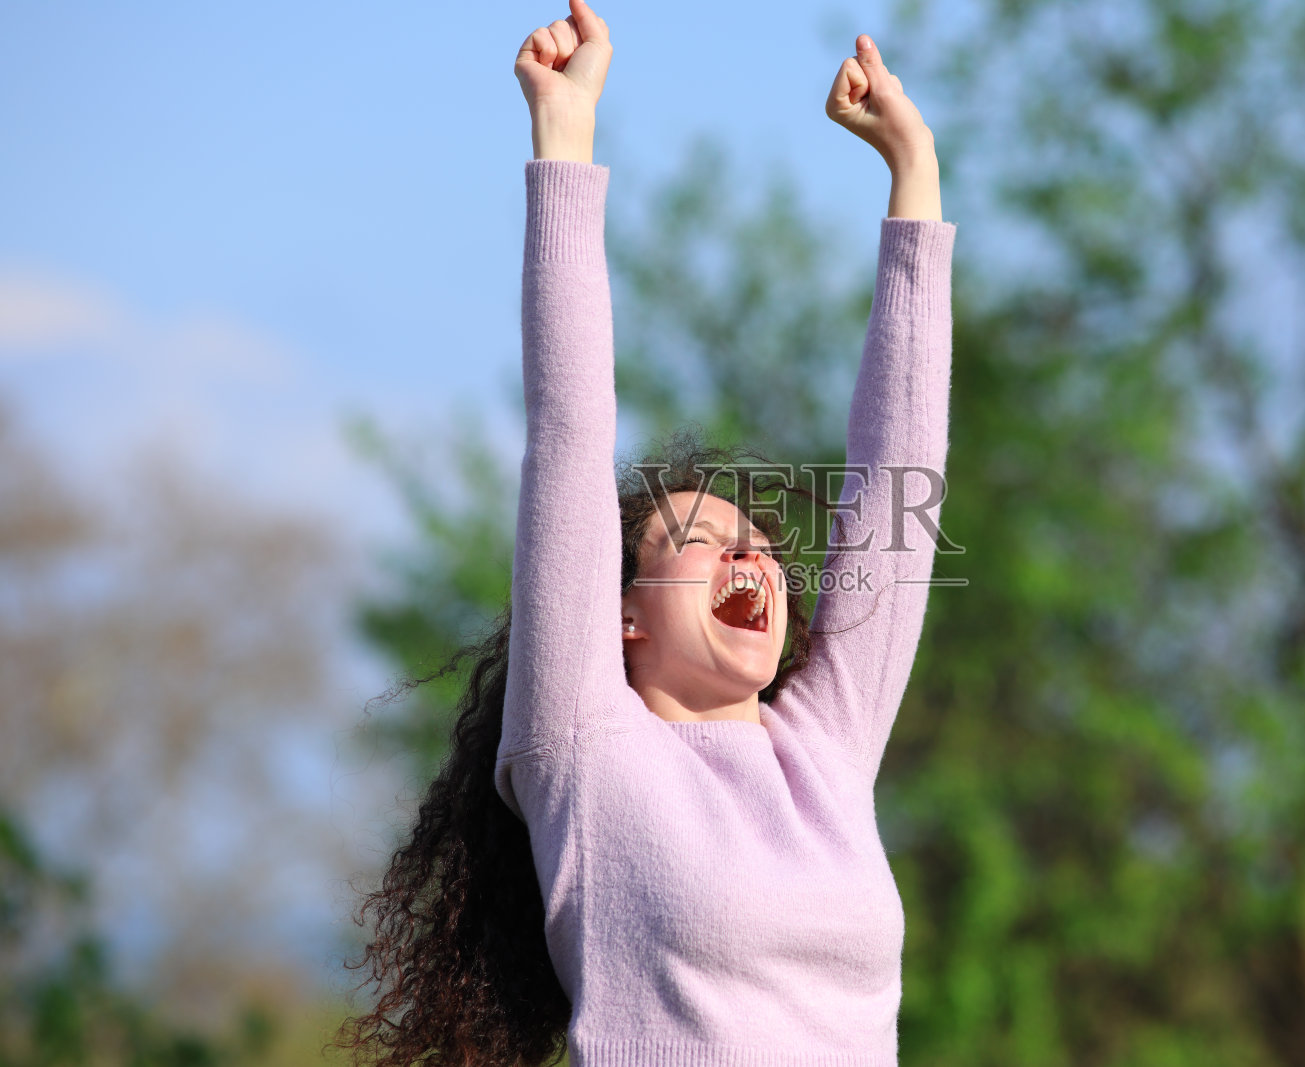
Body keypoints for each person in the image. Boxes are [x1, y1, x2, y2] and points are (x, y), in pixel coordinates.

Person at [341, 2, 956, 1063]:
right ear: (620, 614)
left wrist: (915, 175)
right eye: (703, 540)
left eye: (760, 543)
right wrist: (565, 138)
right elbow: (572, 437)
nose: (751, 554)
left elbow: (899, 486)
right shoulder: (586, 747)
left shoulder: (825, 748)